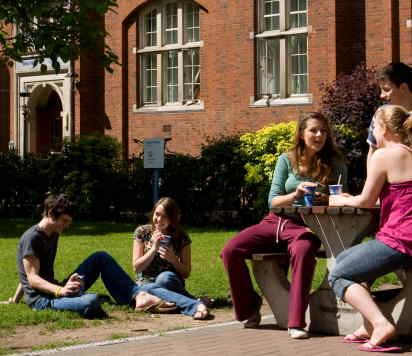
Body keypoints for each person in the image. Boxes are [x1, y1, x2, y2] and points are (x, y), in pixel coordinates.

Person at [221, 112, 347, 339]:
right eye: (314, 130)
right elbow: (273, 201)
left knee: (303, 250)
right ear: (301, 133)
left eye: (324, 131)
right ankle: (250, 307)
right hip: (275, 221)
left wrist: (326, 198)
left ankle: (296, 321)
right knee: (230, 251)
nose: (319, 135)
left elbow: (342, 197)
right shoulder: (286, 160)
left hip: (308, 225)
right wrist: (295, 194)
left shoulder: (336, 163)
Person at [16, 193, 199, 318]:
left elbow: (28, 271)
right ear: (50, 214)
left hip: (56, 289)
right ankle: (144, 297)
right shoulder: (32, 238)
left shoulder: (52, 234)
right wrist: (60, 291)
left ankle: (140, 297)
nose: (66, 226)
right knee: (92, 301)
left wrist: (15, 298)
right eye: (64, 221)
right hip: (43, 300)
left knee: (101, 257)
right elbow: (31, 278)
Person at [329, 105, 412, 352]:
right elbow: (391, 196)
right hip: (403, 237)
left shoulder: (384, 156)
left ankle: (381, 324)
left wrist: (342, 199)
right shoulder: (408, 152)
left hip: (400, 239)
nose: (372, 132)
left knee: (338, 274)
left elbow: (366, 200)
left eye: (373, 126)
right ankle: (368, 324)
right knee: (346, 258)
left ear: (383, 128)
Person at [132, 197, 209, 320]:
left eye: (165, 216)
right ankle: (191, 302)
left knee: (164, 278)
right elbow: (136, 267)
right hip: (145, 283)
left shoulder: (181, 237)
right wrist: (153, 249)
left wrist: (173, 259)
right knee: (145, 287)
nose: (159, 220)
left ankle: (163, 301)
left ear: (172, 218)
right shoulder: (142, 232)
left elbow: (186, 273)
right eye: (157, 214)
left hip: (170, 282)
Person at [367, 62, 412, 171]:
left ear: (403, 87)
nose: (381, 95)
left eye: (386, 89)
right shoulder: (380, 115)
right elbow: (372, 152)